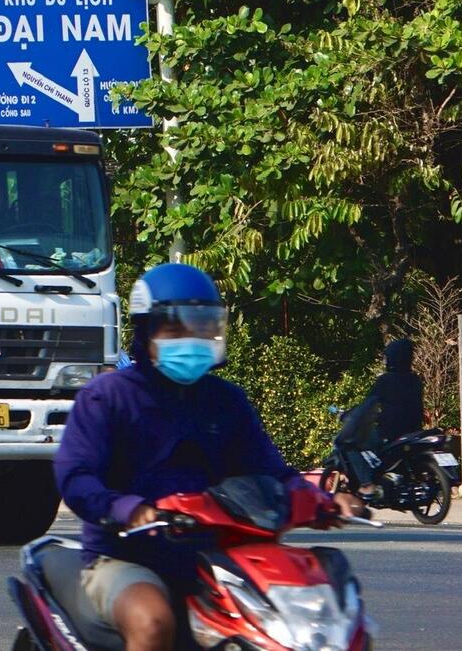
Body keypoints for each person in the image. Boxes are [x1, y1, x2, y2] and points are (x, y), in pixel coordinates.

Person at [54, 263, 362, 651]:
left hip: (219, 555)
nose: (193, 338)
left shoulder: (226, 400)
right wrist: (129, 509)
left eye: (203, 327)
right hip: (126, 556)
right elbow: (76, 477)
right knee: (152, 623)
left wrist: (321, 501)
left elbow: (270, 470)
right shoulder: (107, 396)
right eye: (176, 328)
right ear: (146, 330)